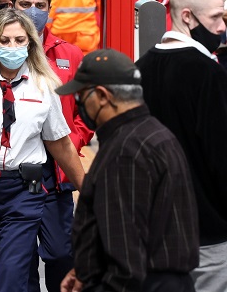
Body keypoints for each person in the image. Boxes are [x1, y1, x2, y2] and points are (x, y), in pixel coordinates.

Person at [0, 9, 85, 291]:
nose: (12, 47)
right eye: (5, 40)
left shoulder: (45, 84)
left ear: (30, 43)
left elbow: (60, 144)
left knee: (12, 274)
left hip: (22, 190)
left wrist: (88, 190)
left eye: (19, 40)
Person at [58, 49, 199, 292]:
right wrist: (86, 269)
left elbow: (125, 263)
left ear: (102, 96)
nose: (79, 104)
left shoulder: (126, 152)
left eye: (81, 96)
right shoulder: (153, 134)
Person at [136, 0, 227, 292]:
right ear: (187, 16)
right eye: (216, 17)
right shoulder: (209, 75)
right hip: (207, 235)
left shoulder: (138, 71)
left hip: (150, 232)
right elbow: (221, 157)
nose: (220, 27)